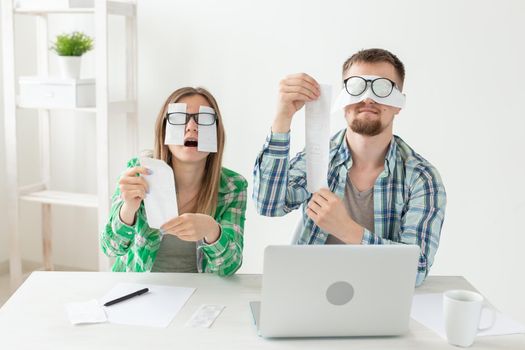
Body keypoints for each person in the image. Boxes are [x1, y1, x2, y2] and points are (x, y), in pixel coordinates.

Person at [253, 48, 446, 286]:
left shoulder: (422, 178)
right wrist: (282, 118)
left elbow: (415, 270)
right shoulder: (319, 157)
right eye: (357, 87)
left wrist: (347, 230)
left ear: (399, 105)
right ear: (343, 99)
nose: (368, 98)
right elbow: (268, 204)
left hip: (380, 295)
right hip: (309, 289)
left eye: (383, 88)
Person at [101, 87, 247, 276]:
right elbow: (110, 249)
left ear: (217, 133)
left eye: (203, 119)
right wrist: (128, 209)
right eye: (179, 118)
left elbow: (229, 267)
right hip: (139, 291)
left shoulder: (233, 187)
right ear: (164, 131)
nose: (191, 127)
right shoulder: (139, 171)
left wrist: (212, 230)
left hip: (200, 293)